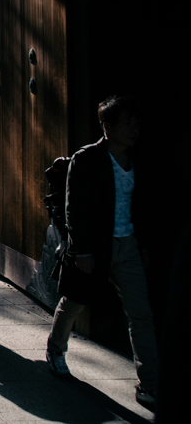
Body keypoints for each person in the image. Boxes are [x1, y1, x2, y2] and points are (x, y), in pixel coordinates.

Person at [45, 96, 158, 411]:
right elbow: (74, 208)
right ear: (107, 126)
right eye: (127, 123)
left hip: (128, 244)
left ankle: (149, 383)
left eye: (136, 123)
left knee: (141, 315)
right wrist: (82, 249)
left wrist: (143, 245)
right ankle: (56, 350)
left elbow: (143, 207)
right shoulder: (89, 158)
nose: (134, 129)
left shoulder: (137, 159)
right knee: (74, 302)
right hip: (93, 247)